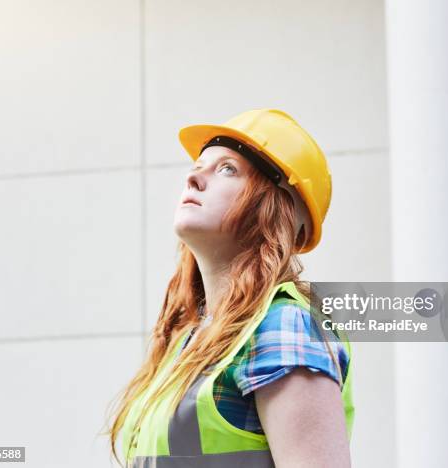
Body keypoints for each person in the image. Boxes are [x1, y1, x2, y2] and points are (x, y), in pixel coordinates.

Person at [106, 109, 355, 467]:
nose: (193, 178)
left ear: (275, 207)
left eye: (227, 169)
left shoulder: (283, 326)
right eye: (197, 166)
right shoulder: (193, 340)